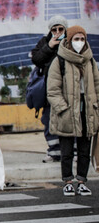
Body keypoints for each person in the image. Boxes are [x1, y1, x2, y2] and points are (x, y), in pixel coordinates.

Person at [46, 25, 99, 197]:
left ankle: (82, 181)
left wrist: (96, 105)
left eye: (82, 39)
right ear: (69, 41)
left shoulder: (90, 60)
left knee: (85, 149)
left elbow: (97, 86)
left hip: (87, 109)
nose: (79, 42)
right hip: (67, 110)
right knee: (66, 150)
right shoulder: (59, 60)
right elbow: (52, 90)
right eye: (76, 39)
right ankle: (68, 181)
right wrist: (63, 108)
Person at [31, 15, 68, 163]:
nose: (58, 32)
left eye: (61, 29)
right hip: (50, 90)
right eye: (54, 29)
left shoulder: (72, 41)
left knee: (70, 120)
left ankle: (73, 152)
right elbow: (36, 59)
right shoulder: (44, 42)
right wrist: (49, 46)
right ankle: (54, 152)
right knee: (49, 120)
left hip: (68, 89)